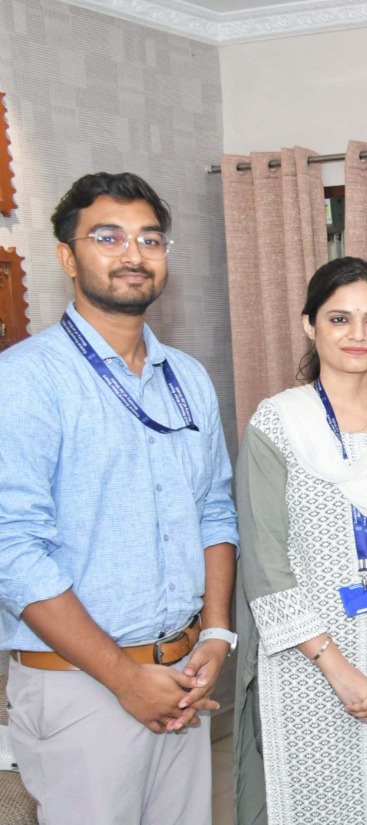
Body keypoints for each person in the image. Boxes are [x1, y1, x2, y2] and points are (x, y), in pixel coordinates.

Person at [0, 172, 236, 823]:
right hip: (80, 688)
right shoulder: (25, 380)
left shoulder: (187, 378)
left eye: (150, 239)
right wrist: (126, 678)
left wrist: (216, 631)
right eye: (108, 237)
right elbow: (14, 551)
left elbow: (215, 510)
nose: (134, 254)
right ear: (67, 257)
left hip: (181, 677)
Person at [234, 257, 367, 824]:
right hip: (308, 665)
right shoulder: (276, 426)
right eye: (339, 319)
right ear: (309, 325)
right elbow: (266, 567)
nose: (358, 334)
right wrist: (339, 671)